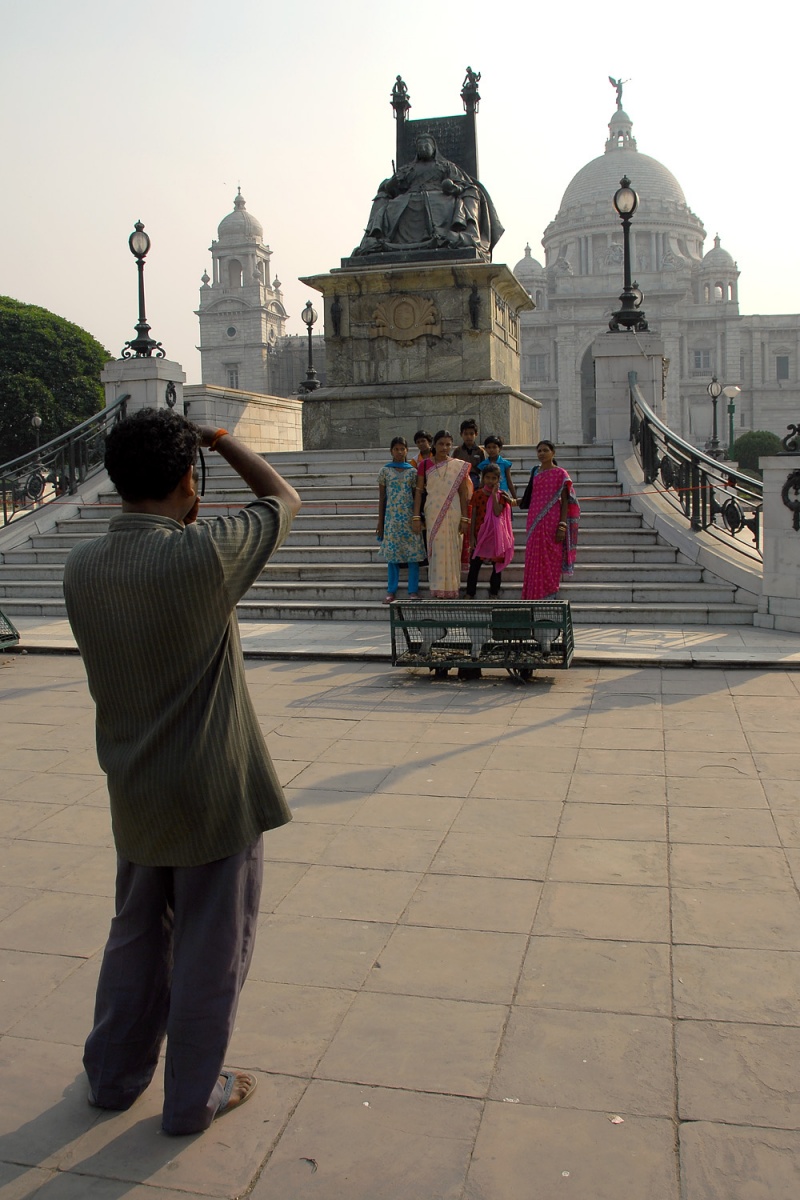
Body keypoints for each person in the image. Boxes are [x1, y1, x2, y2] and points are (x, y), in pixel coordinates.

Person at [62, 408, 301, 1137]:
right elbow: (282, 498)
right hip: (213, 793)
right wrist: (219, 439)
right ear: (189, 482)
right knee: (209, 950)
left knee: (136, 935)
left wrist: (193, 463)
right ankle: (195, 1094)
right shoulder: (202, 557)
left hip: (135, 788)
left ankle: (113, 1075)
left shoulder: (81, 566)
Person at [352, 133, 504, 260]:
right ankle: (374, 237)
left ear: (434, 148)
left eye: (426, 144)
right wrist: (392, 183)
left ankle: (465, 235)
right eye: (420, 144)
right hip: (408, 197)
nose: (423, 146)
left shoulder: (446, 166)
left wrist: (453, 188)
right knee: (388, 202)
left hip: (439, 196)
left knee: (457, 198)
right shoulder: (408, 169)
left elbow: (464, 185)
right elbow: (390, 188)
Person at [412, 430, 471, 598]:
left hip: (453, 511)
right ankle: (437, 588)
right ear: (434, 444)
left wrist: (465, 518)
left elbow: (463, 493)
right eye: (441, 444)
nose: (444, 448)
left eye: (448, 444)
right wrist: (416, 516)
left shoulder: (458, 466)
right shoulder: (424, 465)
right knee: (436, 549)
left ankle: (452, 588)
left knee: (452, 548)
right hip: (432, 511)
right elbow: (418, 491)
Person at [519, 439, 580, 600]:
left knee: (551, 555)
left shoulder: (560, 474)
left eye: (545, 450)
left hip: (552, 519)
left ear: (553, 453)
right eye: (539, 451)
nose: (542, 453)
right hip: (534, 519)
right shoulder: (535, 472)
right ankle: (532, 594)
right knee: (534, 556)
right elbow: (531, 497)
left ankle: (549, 592)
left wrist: (562, 525)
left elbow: (565, 501)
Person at [376, 436, 425, 602]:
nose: (399, 452)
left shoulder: (412, 472)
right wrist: (380, 522)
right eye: (396, 449)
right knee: (392, 556)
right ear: (391, 451)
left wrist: (417, 517)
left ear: (407, 451)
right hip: (392, 520)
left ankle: (413, 591)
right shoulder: (385, 471)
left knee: (413, 555)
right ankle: (391, 590)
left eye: (402, 449)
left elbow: (417, 496)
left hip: (409, 518)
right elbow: (382, 498)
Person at [465, 463, 515, 598]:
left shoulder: (502, 496)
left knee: (496, 567)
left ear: (498, 479)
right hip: (480, 535)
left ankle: (494, 592)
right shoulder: (477, 494)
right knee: (474, 566)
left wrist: (494, 495)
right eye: (487, 477)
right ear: (483, 478)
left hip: (495, 536)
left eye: (494, 478)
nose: (490, 481)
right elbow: (473, 516)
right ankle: (470, 593)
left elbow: (497, 512)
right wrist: (472, 537)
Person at [477, 434, 518, 503]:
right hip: (487, 494)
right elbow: (482, 482)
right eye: (489, 447)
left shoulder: (505, 464)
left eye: (494, 447)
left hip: (502, 493)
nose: (491, 450)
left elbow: (509, 481)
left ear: (500, 448)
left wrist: (515, 498)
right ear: (485, 449)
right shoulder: (484, 464)